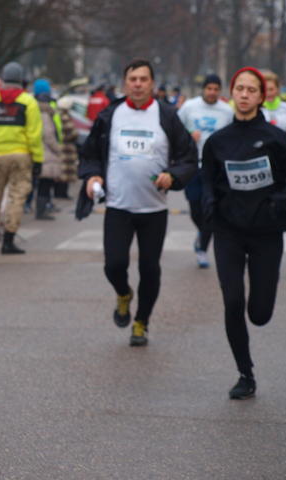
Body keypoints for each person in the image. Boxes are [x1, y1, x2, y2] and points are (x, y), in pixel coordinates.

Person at [201, 66, 286, 400]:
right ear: (232, 94)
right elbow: (207, 182)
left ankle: (260, 309)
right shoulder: (217, 142)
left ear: (262, 96)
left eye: (251, 90)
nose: (244, 95)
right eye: (239, 89)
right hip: (228, 230)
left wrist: (275, 203)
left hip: (266, 232)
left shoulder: (277, 139)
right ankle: (245, 374)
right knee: (232, 301)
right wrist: (209, 205)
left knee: (259, 314)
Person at [80, 58, 197, 346]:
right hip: (118, 206)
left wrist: (173, 175)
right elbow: (91, 153)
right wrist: (92, 176)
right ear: (125, 83)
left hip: (153, 209)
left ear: (152, 84)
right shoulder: (111, 114)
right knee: (114, 264)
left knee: (149, 268)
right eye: (133, 79)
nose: (138, 84)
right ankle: (123, 294)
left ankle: (141, 322)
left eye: (143, 79)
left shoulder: (167, 115)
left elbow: (188, 157)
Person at [0, 61, 44, 254]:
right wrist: (37, 159)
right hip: (21, 155)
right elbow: (34, 134)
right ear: (21, 80)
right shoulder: (29, 102)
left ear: (3, 79)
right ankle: (8, 241)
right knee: (16, 198)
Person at [177, 73, 233, 268]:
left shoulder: (227, 111)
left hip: (215, 167)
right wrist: (188, 135)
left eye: (216, 89)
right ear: (203, 89)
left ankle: (202, 249)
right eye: (209, 88)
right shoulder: (189, 107)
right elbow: (175, 130)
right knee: (195, 208)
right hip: (193, 164)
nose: (212, 92)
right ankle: (203, 232)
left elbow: (233, 135)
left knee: (210, 209)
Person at [33, 78, 63, 220]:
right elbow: (49, 134)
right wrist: (58, 149)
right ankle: (41, 210)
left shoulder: (34, 110)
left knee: (43, 184)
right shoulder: (44, 113)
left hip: (41, 151)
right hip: (47, 153)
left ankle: (42, 208)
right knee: (44, 184)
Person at [261, 71, 286, 140]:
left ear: (277, 89)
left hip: (282, 145)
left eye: (271, 89)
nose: (268, 93)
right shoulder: (256, 108)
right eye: (265, 90)